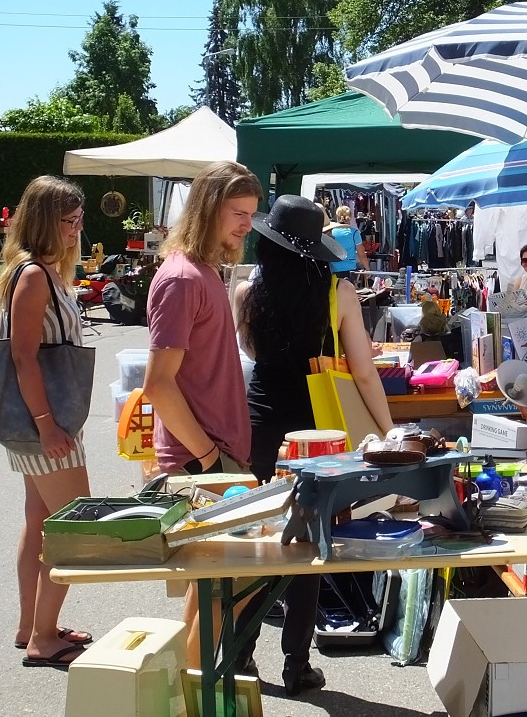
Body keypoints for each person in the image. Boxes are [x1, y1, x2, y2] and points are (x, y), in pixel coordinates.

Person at [231, 194, 394, 695]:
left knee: (255, 536)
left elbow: (250, 350)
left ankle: (240, 658)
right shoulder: (338, 291)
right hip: (316, 427)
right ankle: (297, 665)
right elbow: (363, 372)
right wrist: (388, 431)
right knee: (307, 541)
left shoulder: (244, 290)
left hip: (261, 416)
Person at [142, 160, 263, 665]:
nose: (246, 225)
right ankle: (191, 690)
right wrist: (211, 458)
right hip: (202, 460)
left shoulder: (204, 271)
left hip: (216, 454)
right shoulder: (184, 279)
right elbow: (157, 386)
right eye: (237, 212)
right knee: (239, 580)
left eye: (252, 214)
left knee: (214, 589)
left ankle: (189, 689)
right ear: (208, 208)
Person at [0, 177, 93, 668]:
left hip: (32, 421)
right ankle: (43, 638)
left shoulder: (25, 271)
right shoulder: (34, 276)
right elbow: (24, 358)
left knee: (40, 520)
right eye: (68, 221)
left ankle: (32, 625)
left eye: (78, 219)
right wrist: (48, 423)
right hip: (45, 421)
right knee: (77, 527)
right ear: (44, 222)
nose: (76, 229)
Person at [328, 205, 368, 278]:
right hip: (349, 270)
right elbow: (361, 254)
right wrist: (368, 269)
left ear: (337, 216)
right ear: (350, 217)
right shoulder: (354, 233)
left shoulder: (330, 232)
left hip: (334, 270)